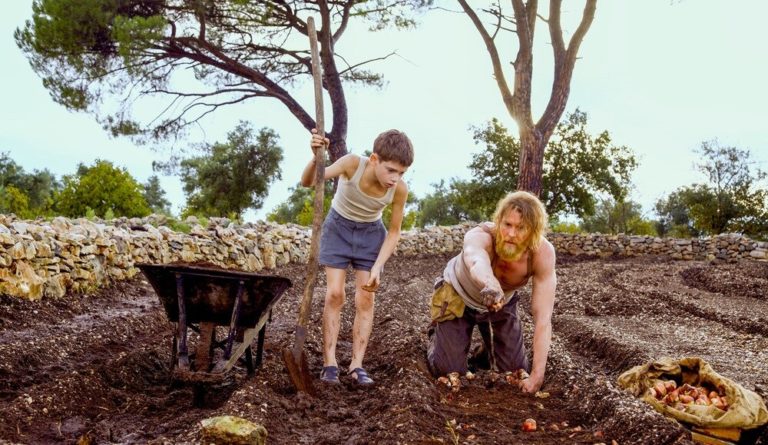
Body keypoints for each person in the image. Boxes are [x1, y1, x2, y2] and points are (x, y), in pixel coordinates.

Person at [301, 128, 414, 386]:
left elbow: (394, 231)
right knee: (335, 294)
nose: (395, 178)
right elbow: (309, 181)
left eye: (401, 173)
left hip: (371, 235)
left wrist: (377, 267)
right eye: (391, 170)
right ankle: (329, 363)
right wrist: (316, 157)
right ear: (374, 160)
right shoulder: (352, 164)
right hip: (337, 229)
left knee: (366, 298)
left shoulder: (399, 189)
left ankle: (356, 365)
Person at [427, 191, 557, 394]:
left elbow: (543, 318)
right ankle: (437, 335)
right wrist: (491, 285)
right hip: (459, 295)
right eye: (507, 224)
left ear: (534, 231)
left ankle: (485, 352)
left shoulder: (542, 254)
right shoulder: (481, 236)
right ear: (499, 221)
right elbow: (476, 261)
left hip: (501, 304)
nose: (511, 234)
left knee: (514, 370)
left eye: (521, 228)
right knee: (448, 370)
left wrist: (537, 375)